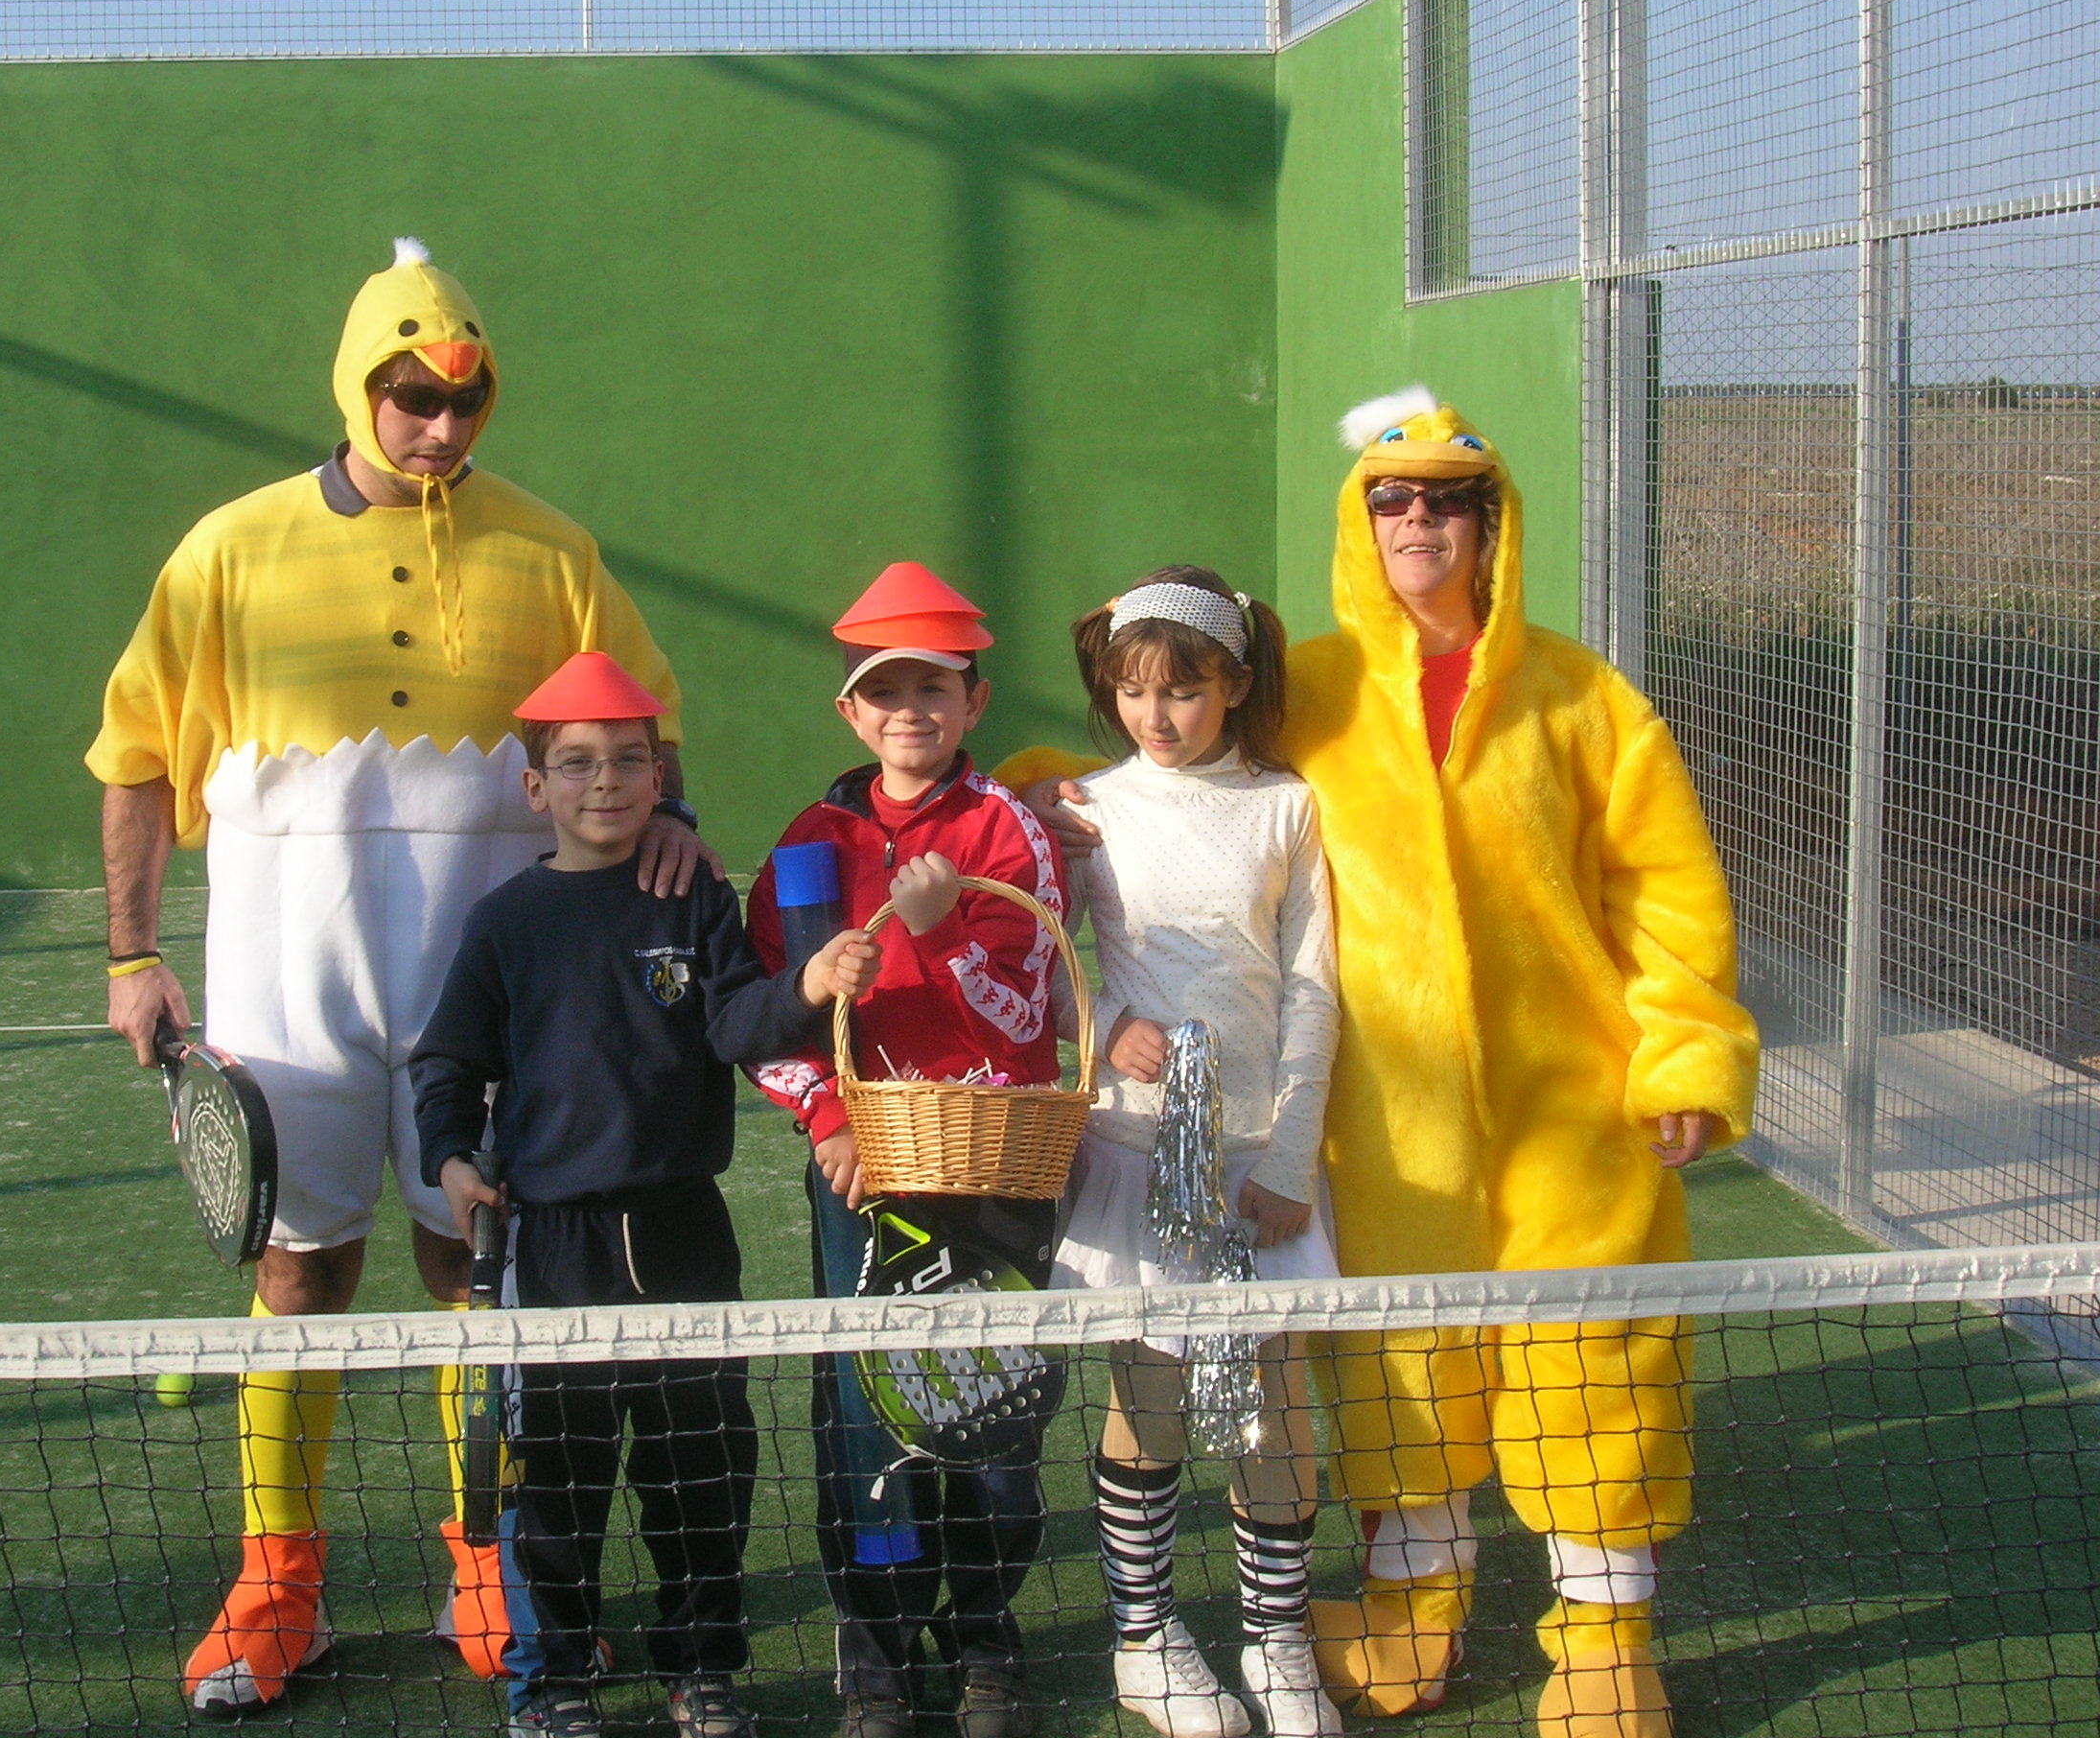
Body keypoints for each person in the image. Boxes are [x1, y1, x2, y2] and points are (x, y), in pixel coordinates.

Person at [1021, 393, 1759, 1738]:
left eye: (1447, 499)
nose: (1419, 520)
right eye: (1392, 499)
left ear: (1493, 520)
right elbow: (1157, 783)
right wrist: (1026, 803)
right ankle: (1410, 1611)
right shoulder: (1313, 688)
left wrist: (1687, 1054)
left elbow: (1665, 889)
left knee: (1592, 1363)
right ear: (1360, 521)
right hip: (1385, 1123)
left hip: (1572, 1109)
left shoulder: (1585, 697)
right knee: (1403, 1374)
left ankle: (1605, 1644)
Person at [86, 240, 718, 1716]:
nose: (440, 427)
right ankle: (277, 1586)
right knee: (298, 1271)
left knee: (470, 1261)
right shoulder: (226, 550)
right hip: (280, 977)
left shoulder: (552, 552)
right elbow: (135, 758)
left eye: (464, 401)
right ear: (356, 387)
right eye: (412, 398)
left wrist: (673, 829)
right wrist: (131, 953)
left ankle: (485, 1566)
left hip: (480, 986)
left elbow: (647, 726)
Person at [410, 650, 882, 1738]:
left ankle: (701, 1670)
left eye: (629, 761)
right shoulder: (505, 922)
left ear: (660, 778)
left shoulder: (694, 899)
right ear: (537, 788)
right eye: (578, 764)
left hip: (682, 1234)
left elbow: (735, 1024)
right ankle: (553, 1683)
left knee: (699, 1473)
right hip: (554, 1245)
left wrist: (805, 987)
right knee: (560, 1486)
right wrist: (451, 1159)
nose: (606, 783)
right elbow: (447, 1063)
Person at [741, 562, 1068, 1738]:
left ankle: (984, 1636)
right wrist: (828, 1119)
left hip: (993, 1169)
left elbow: (1029, 1021)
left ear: (974, 700)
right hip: (861, 1178)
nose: (909, 710)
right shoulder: (808, 846)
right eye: (884, 690)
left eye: (934, 686)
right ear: (850, 712)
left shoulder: (1007, 829)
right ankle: (875, 1652)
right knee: (865, 1414)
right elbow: (773, 1023)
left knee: (995, 1413)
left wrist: (943, 938)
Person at [1044, 567, 1342, 1738]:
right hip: (1137, 1150)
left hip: (1261, 1164)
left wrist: (1291, 1158)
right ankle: (1145, 1641)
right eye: (1133, 691)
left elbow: (1314, 988)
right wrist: (1106, 1026)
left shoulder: (1288, 809)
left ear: (1237, 684)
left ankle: (1279, 1641)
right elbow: (1040, 957)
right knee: (1153, 1395)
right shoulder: (1086, 808)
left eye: (1182, 690)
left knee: (1269, 1404)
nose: (1155, 715)